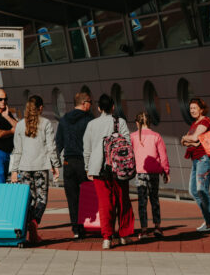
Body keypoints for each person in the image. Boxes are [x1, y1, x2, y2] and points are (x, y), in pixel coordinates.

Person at [83, 94, 134, 250]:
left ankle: (107, 238)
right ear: (113, 107)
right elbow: (128, 143)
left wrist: (87, 167)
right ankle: (124, 235)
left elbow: (87, 149)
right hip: (119, 167)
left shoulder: (91, 124)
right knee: (122, 201)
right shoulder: (120, 122)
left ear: (99, 108)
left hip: (98, 168)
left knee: (105, 204)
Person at [10, 95, 61, 244]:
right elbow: (51, 147)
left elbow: (17, 150)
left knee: (28, 200)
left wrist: (14, 171)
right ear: (40, 108)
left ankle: (30, 230)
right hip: (41, 167)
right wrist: (55, 165)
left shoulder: (20, 125)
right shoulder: (46, 123)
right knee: (42, 199)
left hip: (24, 168)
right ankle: (34, 222)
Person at [55, 91, 93, 238]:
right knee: (87, 195)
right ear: (84, 103)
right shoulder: (89, 119)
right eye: (90, 102)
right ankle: (87, 224)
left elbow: (58, 143)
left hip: (68, 162)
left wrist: (55, 164)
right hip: (84, 162)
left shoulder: (64, 120)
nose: (91, 105)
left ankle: (76, 229)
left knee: (72, 197)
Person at [181, 98, 210, 232]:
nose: (192, 111)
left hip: (204, 160)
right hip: (196, 160)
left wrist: (186, 138)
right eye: (190, 108)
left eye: (194, 108)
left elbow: (193, 138)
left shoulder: (204, 122)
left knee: (201, 190)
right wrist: (189, 140)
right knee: (193, 191)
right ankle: (208, 220)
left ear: (201, 110)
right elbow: (188, 142)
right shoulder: (195, 123)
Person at [131, 111, 170, 238]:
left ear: (137, 123)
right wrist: (166, 171)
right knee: (154, 199)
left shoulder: (133, 136)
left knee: (142, 201)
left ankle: (144, 229)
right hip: (154, 172)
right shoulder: (156, 136)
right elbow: (163, 155)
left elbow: (130, 155)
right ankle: (157, 227)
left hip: (140, 172)